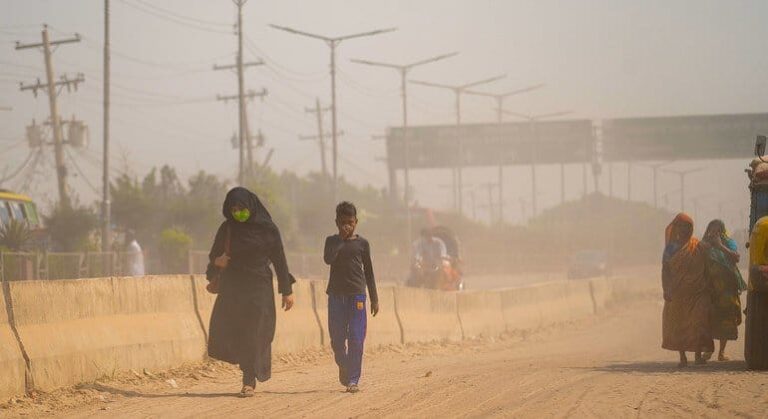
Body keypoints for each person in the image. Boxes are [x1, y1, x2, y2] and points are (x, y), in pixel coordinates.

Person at [205, 187, 295, 397]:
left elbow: (279, 260)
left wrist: (286, 290)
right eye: (234, 209)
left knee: (256, 332)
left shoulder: (268, 229)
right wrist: (217, 262)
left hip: (259, 288)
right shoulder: (227, 229)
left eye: (242, 208)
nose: (238, 213)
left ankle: (249, 378)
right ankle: (247, 375)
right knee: (238, 331)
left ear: (251, 207)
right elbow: (214, 256)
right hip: (233, 289)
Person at [323, 201, 379, 394]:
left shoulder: (363, 244)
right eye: (343, 222)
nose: (347, 225)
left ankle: (353, 380)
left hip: (357, 296)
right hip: (336, 297)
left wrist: (374, 298)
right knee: (337, 339)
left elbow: (369, 272)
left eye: (351, 222)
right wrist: (341, 240)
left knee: (356, 338)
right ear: (336, 222)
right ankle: (343, 364)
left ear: (356, 221)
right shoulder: (331, 241)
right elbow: (328, 259)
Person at [661, 213, 714, 367]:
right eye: (682, 226)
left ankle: (698, 355)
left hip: (699, 292)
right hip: (677, 293)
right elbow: (665, 270)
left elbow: (708, 266)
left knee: (699, 323)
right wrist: (666, 289)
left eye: (688, 226)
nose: (685, 230)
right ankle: (682, 357)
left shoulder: (698, 245)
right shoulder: (670, 248)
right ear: (676, 228)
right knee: (679, 324)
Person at [702, 219, 747, 361]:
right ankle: (708, 351)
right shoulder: (704, 245)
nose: (714, 233)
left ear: (722, 231)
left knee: (726, 319)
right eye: (712, 230)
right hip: (710, 289)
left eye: (718, 230)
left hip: (727, 290)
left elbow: (736, 258)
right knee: (709, 319)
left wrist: (720, 246)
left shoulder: (729, 243)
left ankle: (721, 352)